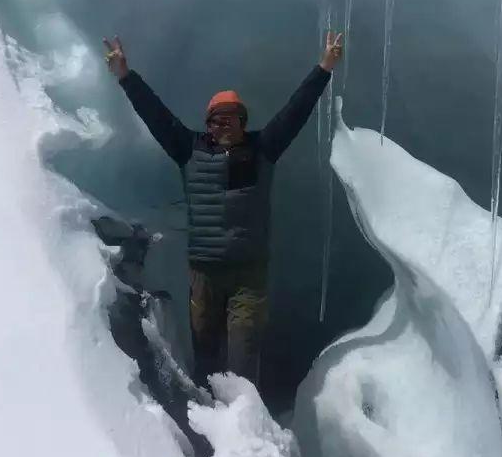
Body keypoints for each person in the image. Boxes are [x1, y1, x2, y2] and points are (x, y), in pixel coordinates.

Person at [103, 31, 345, 384]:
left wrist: (324, 68)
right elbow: (155, 114)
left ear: (244, 122)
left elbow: (296, 110)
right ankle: (210, 423)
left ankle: (245, 427)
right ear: (209, 124)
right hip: (203, 276)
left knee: (242, 359)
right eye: (219, 118)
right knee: (205, 356)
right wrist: (126, 76)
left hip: (249, 276)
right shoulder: (188, 149)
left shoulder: (263, 148)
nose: (227, 124)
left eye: (235, 118)